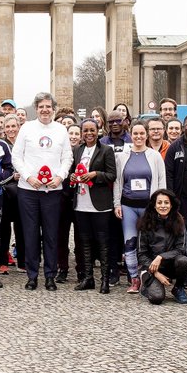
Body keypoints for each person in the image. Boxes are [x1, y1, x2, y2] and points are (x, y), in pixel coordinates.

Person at [11, 92, 72, 291]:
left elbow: (67, 158)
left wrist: (60, 176)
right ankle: (32, 275)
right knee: (30, 234)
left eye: (48, 106)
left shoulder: (61, 129)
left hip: (53, 191)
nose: (45, 110)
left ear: (53, 108)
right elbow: (16, 157)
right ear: (36, 109)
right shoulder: (27, 128)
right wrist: (28, 176)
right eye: (41, 106)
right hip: (29, 190)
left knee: (51, 234)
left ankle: (50, 276)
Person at [114, 121, 167, 292]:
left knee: (149, 243)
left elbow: (161, 181)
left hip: (149, 207)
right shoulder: (123, 156)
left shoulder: (154, 156)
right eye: (135, 134)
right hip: (128, 205)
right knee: (130, 242)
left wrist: (160, 204)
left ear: (147, 135)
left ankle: (149, 276)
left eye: (141, 133)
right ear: (131, 134)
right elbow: (118, 182)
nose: (138, 137)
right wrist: (117, 204)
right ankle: (134, 279)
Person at [70, 118, 117, 292]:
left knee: (103, 241)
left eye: (92, 130)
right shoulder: (77, 150)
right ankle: (88, 277)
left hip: (100, 203)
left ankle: (105, 279)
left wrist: (95, 174)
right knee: (85, 241)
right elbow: (71, 172)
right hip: (81, 202)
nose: (89, 133)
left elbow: (112, 175)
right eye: (85, 130)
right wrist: (73, 177)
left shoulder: (106, 150)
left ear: (98, 131)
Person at [137, 188, 187, 306]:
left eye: (166, 202)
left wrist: (161, 257)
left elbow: (181, 249)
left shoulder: (179, 221)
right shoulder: (145, 223)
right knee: (157, 298)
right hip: (151, 267)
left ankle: (178, 288)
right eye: (159, 202)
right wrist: (156, 273)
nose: (163, 206)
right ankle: (146, 284)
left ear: (171, 205)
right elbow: (141, 254)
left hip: (171, 264)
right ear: (154, 205)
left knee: (184, 261)